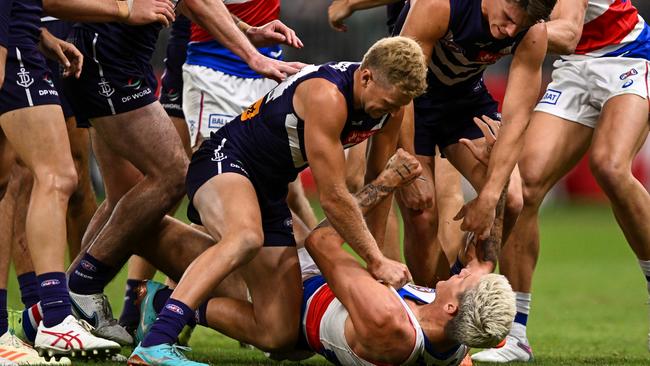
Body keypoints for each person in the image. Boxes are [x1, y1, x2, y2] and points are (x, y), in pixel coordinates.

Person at [128, 36, 428, 364]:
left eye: (397, 105)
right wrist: (375, 260)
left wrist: (380, 267)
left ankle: (159, 303)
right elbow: (333, 198)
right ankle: (155, 344)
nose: (388, 111)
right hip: (227, 159)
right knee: (245, 237)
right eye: (385, 103)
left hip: (269, 188)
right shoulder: (328, 96)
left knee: (279, 334)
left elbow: (377, 187)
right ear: (366, 76)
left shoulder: (391, 108)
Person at [62, 0, 305, 345]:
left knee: (126, 196)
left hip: (124, 59)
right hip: (109, 57)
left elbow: (196, 2)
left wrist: (249, 36)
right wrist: (124, 9)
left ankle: (54, 312)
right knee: (173, 174)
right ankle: (85, 287)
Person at [472, 0, 650, 362]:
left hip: (628, 55)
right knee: (524, 187)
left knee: (610, 166)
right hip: (575, 68)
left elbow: (567, 31)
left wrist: (498, 33)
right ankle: (516, 335)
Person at [392, 0, 556, 276]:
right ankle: (431, 308)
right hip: (410, 102)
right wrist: (409, 171)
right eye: (507, 18)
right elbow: (401, 87)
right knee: (421, 214)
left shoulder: (533, 32)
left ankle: (460, 282)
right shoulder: (439, 6)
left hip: (464, 101)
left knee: (512, 199)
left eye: (521, 25)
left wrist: (489, 198)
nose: (509, 30)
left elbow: (516, 121)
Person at [0, 0, 124, 358]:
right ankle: (55, 317)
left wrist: (39, 33)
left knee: (33, 178)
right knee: (55, 175)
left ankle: (51, 318)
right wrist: (125, 10)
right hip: (14, 45)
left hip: (27, 35)